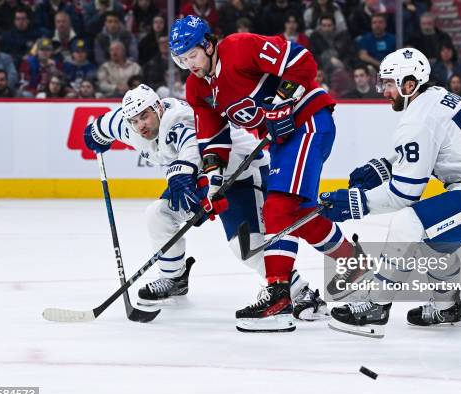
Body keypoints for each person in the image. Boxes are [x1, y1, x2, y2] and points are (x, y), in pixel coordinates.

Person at [318, 48, 461, 338]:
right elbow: (429, 148)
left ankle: (375, 307)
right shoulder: (436, 96)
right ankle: (447, 309)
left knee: (407, 222)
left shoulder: (417, 120)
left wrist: (358, 203)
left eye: (389, 84)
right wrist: (386, 166)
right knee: (434, 243)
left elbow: (405, 194)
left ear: (409, 85)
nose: (384, 91)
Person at [169, 15, 357, 332]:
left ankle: (278, 297)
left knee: (277, 207)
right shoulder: (197, 88)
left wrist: (283, 100)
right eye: (181, 59)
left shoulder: (239, 48)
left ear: (208, 45)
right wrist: (213, 187)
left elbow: (301, 60)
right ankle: (358, 266)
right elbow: (213, 142)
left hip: (308, 121)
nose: (189, 64)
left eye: (193, 55)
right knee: (300, 211)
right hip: (282, 141)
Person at [83, 84, 327, 319]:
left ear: (158, 108)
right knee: (158, 214)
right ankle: (173, 278)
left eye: (144, 116)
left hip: (240, 174)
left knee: (246, 247)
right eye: (134, 121)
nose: (140, 125)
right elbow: (106, 124)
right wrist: (94, 133)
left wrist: (184, 177)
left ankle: (300, 291)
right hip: (203, 177)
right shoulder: (130, 126)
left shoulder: (178, 120)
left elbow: (191, 149)